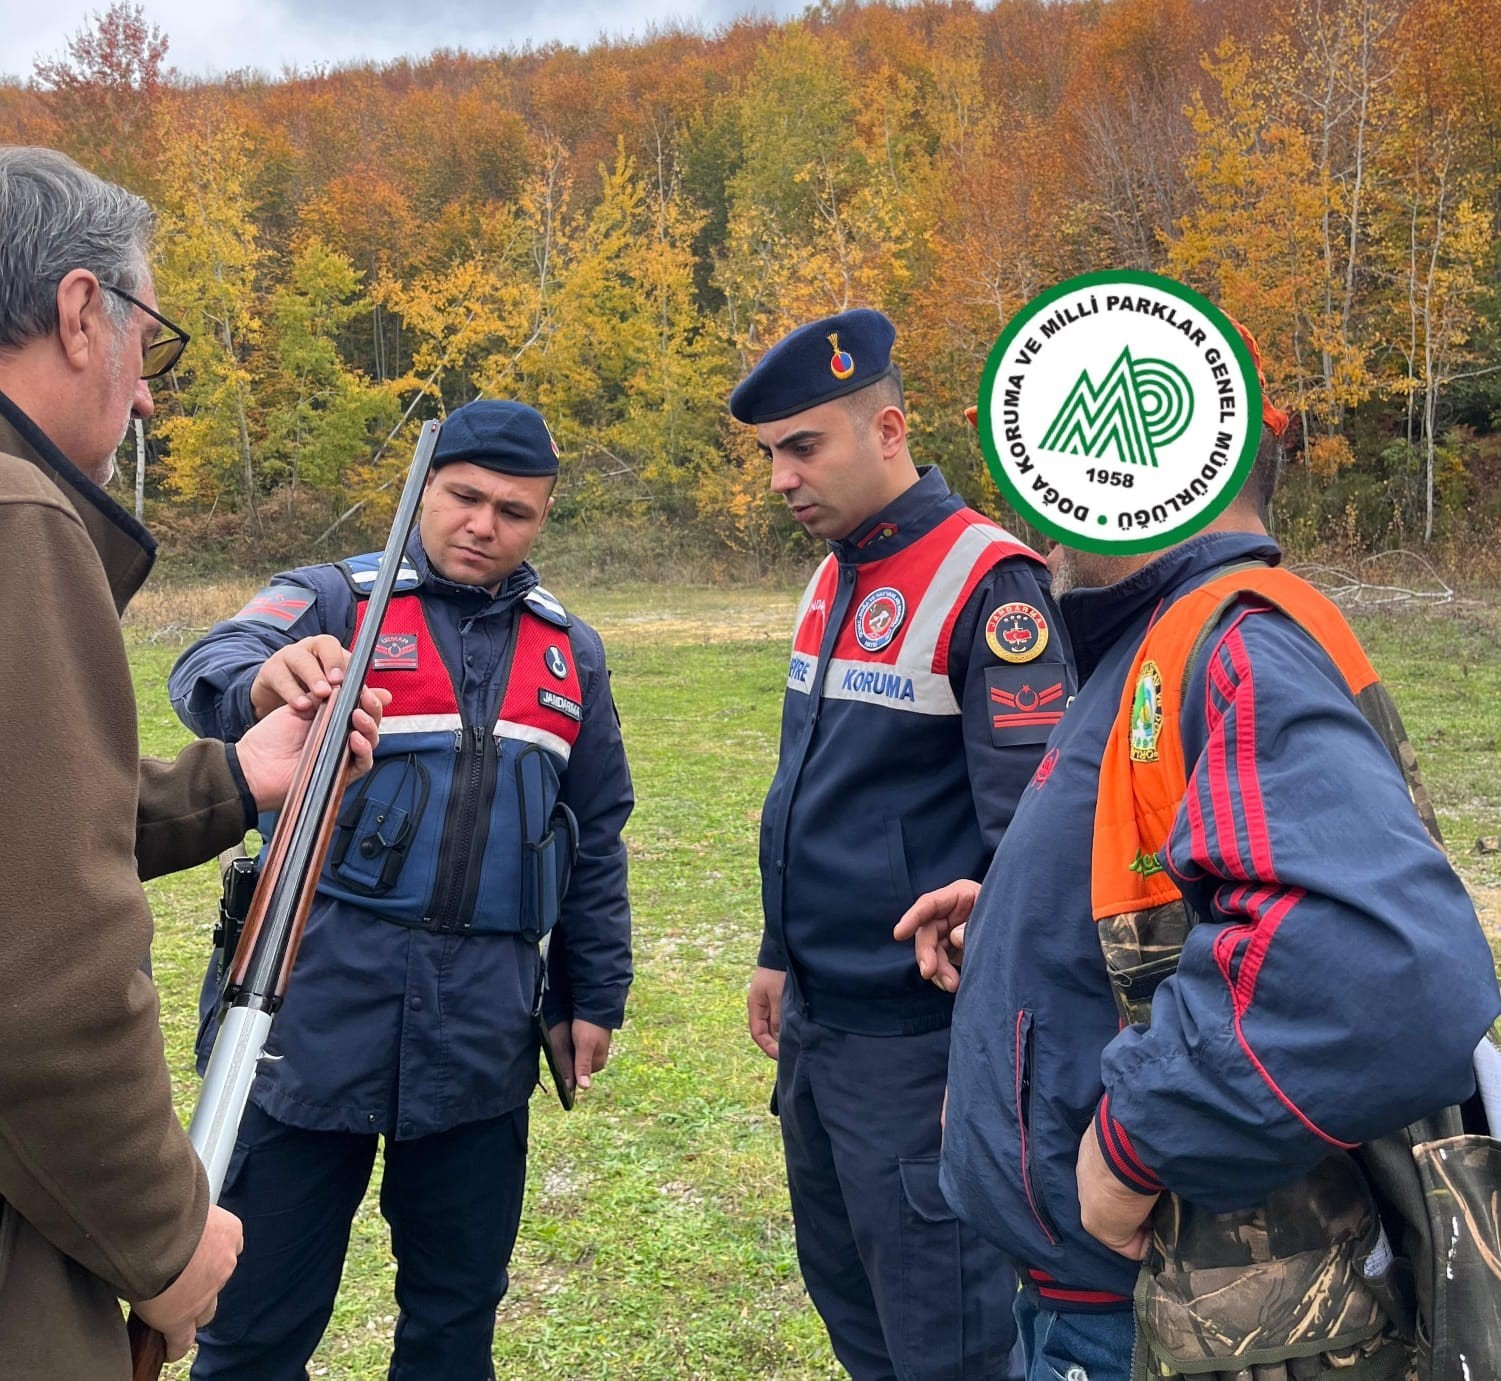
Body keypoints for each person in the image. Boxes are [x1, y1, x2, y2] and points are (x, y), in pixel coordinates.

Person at [897, 325, 1501, 1381]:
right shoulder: (1161, 638)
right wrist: (1013, 918)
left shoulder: (1231, 639)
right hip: (1095, 1295)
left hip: (1158, 1313)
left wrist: (1136, 1146)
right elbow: (1195, 882)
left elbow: (1379, 972)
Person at [0, 146, 386, 1380]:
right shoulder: (21, 518)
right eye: (146, 345)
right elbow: (44, 988)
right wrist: (170, 1247)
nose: (147, 398)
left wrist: (234, 776)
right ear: (76, 312)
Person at [168, 398, 635, 1380]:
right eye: (464, 497)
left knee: (454, 1328)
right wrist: (264, 684)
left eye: (515, 510)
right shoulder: (334, 600)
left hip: (477, 1046)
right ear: (425, 488)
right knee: (251, 1332)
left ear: (543, 515)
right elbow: (205, 667)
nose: (483, 525)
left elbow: (594, 836)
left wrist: (592, 995)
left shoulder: (570, 653)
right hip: (305, 1034)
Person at [731, 308, 1073, 1380]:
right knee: (859, 1321)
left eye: (803, 445)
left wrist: (976, 1058)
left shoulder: (989, 581)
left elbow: (1036, 836)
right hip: (822, 1034)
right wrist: (780, 949)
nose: (781, 477)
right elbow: (815, 792)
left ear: (887, 431)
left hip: (919, 1046)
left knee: (949, 1339)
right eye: (768, 454)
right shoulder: (837, 571)